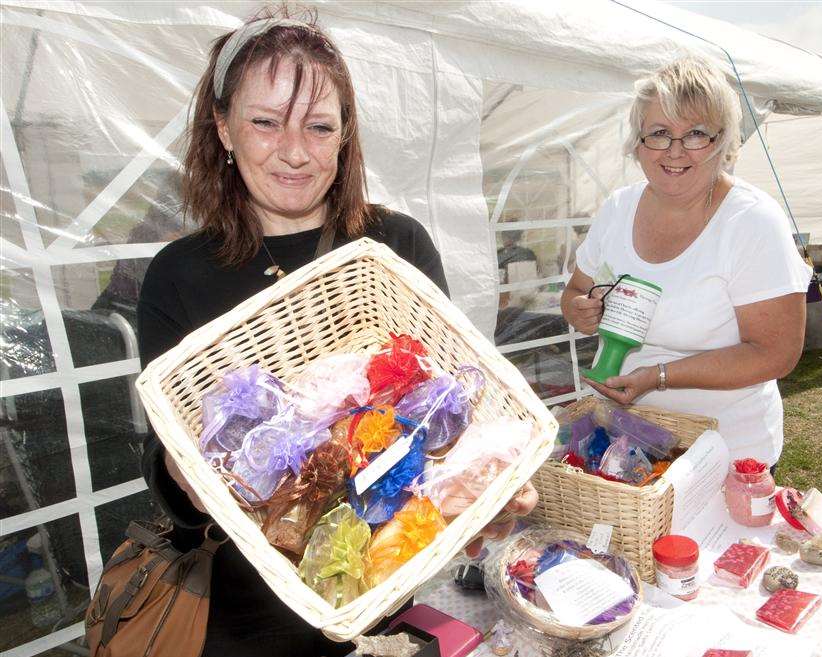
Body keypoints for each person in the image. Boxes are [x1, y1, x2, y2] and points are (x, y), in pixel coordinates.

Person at [137, 9, 534, 656]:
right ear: (223, 127)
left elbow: (443, 414)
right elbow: (162, 457)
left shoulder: (394, 246)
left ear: (346, 135)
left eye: (319, 127)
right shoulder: (180, 274)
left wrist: (483, 481)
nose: (295, 152)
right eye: (265, 122)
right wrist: (190, 479)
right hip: (245, 611)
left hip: (376, 589)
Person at [560, 57, 812, 466]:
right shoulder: (617, 209)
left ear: (723, 142)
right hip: (621, 440)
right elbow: (575, 290)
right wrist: (578, 309)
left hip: (725, 448)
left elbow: (776, 353)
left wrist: (657, 376)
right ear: (638, 143)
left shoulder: (751, 221)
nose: (675, 151)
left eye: (695, 134)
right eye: (659, 133)